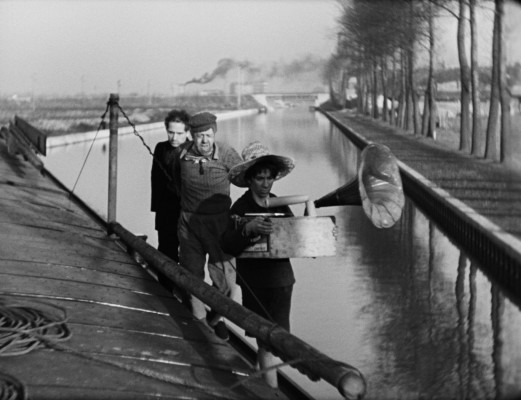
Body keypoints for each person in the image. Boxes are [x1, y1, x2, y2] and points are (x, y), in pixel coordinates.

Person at [221, 141, 296, 388]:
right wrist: (247, 230)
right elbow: (227, 244)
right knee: (266, 341)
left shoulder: (280, 204)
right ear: (250, 179)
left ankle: (260, 379)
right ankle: (272, 392)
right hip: (256, 282)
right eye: (260, 178)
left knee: (280, 339)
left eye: (269, 179)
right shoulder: (240, 208)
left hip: (283, 281)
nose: (265, 184)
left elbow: (296, 238)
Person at [173, 111, 242, 340]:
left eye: (208, 135)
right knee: (191, 275)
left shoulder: (227, 154)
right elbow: (176, 181)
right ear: (192, 136)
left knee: (225, 281)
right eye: (199, 136)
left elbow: (244, 178)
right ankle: (201, 325)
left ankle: (215, 317)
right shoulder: (181, 155)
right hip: (189, 223)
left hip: (220, 223)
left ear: (215, 134)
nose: (204, 141)